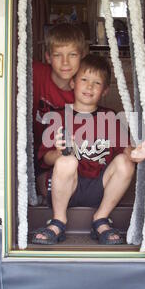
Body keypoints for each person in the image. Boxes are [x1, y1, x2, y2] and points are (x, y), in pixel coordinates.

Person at [32, 54, 145, 246]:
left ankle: (101, 218)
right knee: (67, 161)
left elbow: (124, 150)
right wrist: (58, 151)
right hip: (66, 188)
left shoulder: (111, 117)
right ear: (72, 83)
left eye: (97, 83)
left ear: (105, 90)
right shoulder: (57, 116)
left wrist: (134, 154)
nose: (89, 87)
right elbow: (44, 160)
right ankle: (58, 221)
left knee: (125, 162)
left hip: (99, 187)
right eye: (84, 80)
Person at [33, 23, 86, 195]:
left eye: (72, 55)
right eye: (58, 55)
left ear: (81, 56)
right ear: (48, 57)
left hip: (67, 157)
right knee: (46, 189)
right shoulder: (36, 73)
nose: (65, 62)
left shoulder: (84, 89)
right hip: (35, 152)